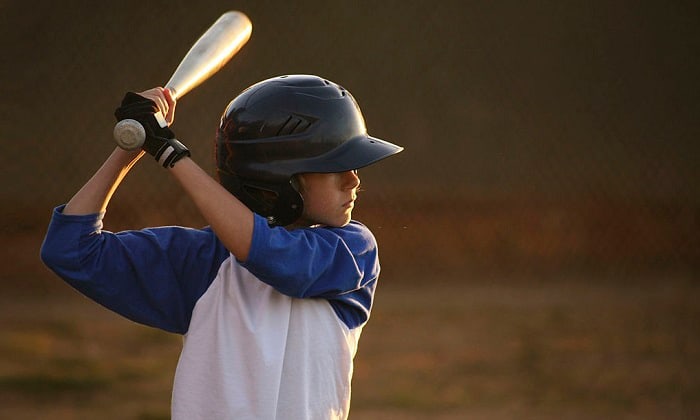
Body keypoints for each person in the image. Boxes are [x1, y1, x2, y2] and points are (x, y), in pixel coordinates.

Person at [40, 74, 403, 419]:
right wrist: (131, 145)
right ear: (278, 179)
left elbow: (276, 260)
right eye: (335, 167)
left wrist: (169, 153)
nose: (354, 180)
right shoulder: (202, 263)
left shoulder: (353, 250)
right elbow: (70, 249)